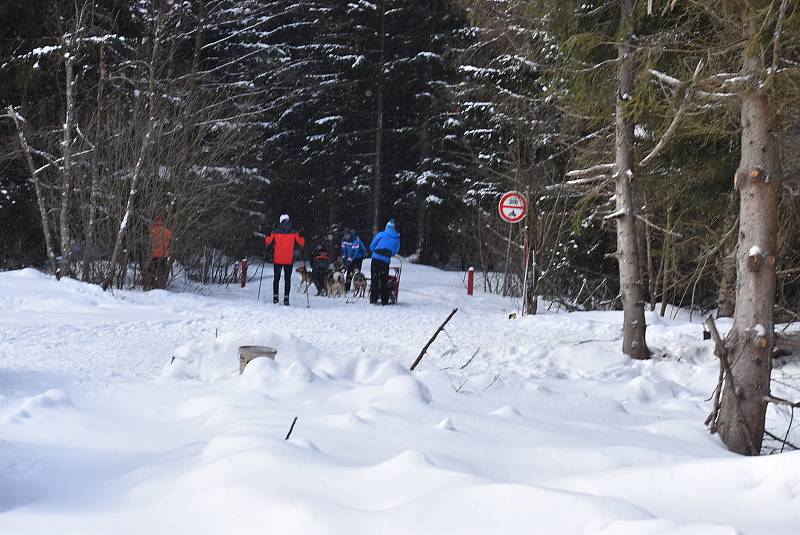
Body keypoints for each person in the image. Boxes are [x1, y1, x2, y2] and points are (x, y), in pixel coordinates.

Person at [265, 214, 305, 305]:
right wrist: (302, 239)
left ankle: (275, 298)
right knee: (287, 279)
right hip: (288, 259)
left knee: (276, 278)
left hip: (278, 259)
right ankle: (286, 299)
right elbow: (301, 242)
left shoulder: (275, 231)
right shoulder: (294, 232)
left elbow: (268, 241)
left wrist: (267, 238)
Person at [369, 218, 400, 305]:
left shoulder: (381, 234)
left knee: (374, 279)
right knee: (384, 279)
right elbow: (395, 251)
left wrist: (376, 251)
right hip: (385, 261)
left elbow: (372, 246)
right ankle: (384, 300)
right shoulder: (397, 238)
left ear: (387, 227)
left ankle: (373, 299)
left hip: (376, 259)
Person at [146, 215, 172, 290]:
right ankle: (160, 286)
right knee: (161, 272)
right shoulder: (167, 231)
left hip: (154, 255)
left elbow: (150, 241)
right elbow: (170, 241)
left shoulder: (152, 230)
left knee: (152, 271)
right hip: (164, 255)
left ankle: (151, 285)